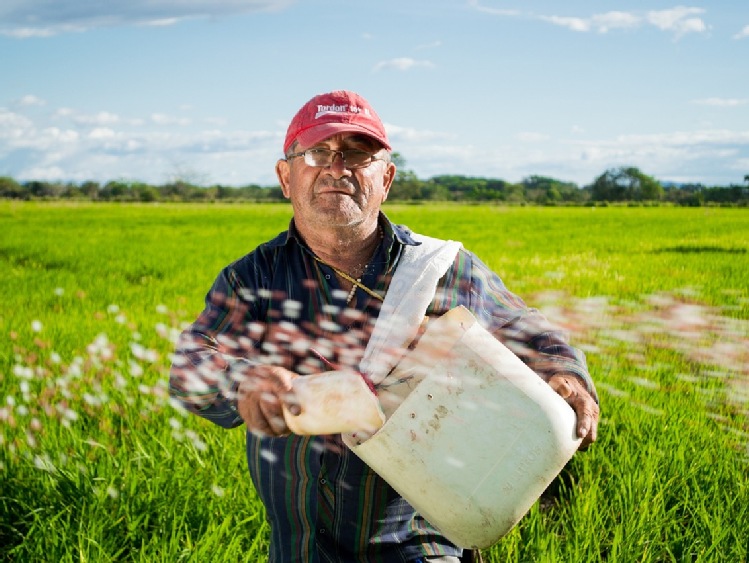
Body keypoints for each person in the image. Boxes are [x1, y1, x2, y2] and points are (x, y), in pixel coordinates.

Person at [169, 90, 599, 563]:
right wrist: (242, 381)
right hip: (299, 548)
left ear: (386, 178)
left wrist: (567, 373)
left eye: (358, 154)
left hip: (421, 543)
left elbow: (524, 326)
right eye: (316, 153)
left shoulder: (438, 268)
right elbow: (189, 366)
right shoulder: (254, 278)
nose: (337, 168)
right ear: (285, 177)